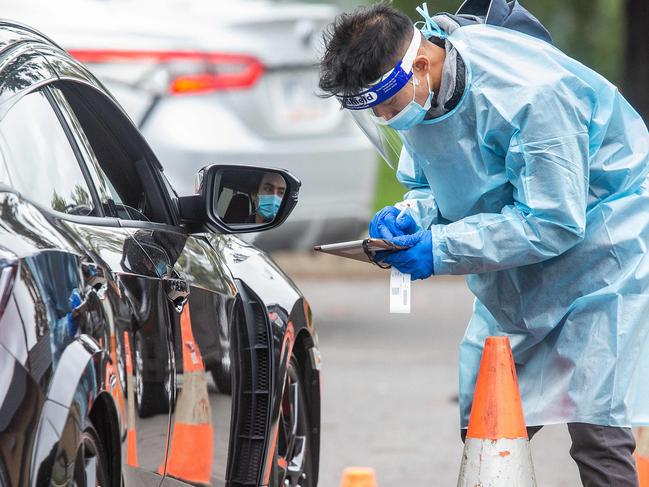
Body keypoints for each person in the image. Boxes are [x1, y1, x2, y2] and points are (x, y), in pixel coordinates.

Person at [318, 3, 649, 486]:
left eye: (387, 107)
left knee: (597, 428)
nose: (387, 120)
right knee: (485, 420)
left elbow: (554, 221)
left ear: (421, 65)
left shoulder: (535, 97)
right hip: (515, 259)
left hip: (603, 256)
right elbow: (432, 184)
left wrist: (439, 249)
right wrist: (408, 218)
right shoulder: (424, 94)